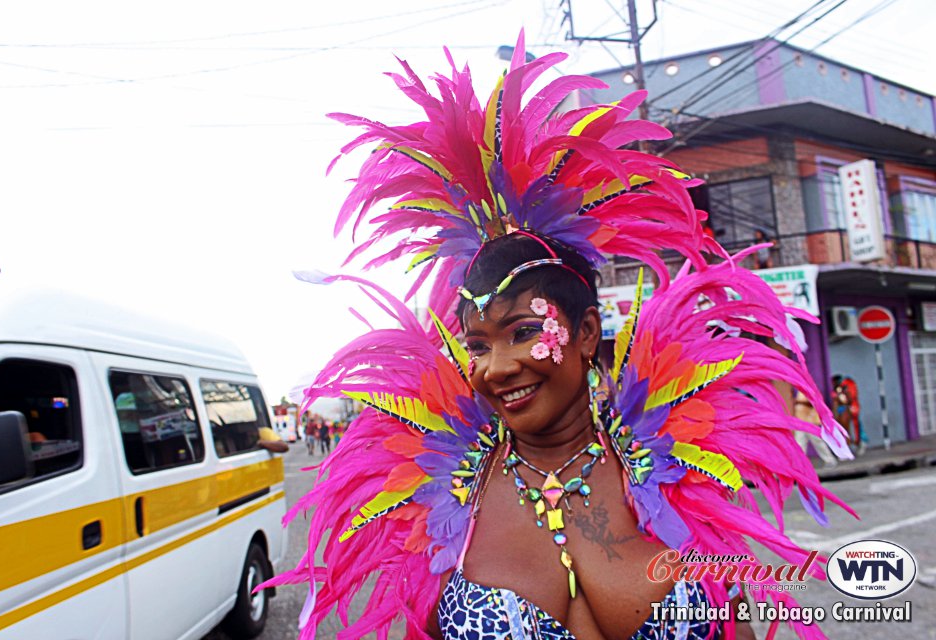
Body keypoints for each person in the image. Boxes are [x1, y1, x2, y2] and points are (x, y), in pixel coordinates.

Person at [262, 34, 853, 640]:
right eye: (478, 344)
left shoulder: (679, 463)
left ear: (587, 332)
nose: (496, 366)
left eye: (523, 331)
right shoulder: (435, 496)